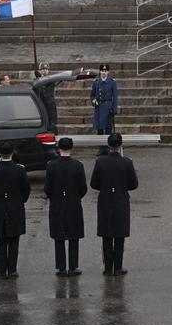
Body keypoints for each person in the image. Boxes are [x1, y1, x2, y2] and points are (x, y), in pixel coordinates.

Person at [90, 133, 138, 276]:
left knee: (106, 235)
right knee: (119, 236)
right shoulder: (127, 162)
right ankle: (118, 267)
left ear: (109, 145)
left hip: (105, 200)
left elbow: (94, 183)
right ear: (120, 145)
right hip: (121, 200)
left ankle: (107, 267)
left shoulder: (100, 162)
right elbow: (134, 184)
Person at [0, 142, 31, 278]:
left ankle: (1, 270)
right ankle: (12, 269)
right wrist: (20, 201)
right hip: (15, 207)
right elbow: (26, 189)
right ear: (12, 153)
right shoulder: (20, 170)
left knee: (1, 241)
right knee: (14, 241)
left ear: (0, 153)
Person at [45, 137, 87, 276]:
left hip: (57, 203)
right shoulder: (78, 165)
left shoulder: (51, 165)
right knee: (73, 236)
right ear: (71, 148)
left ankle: (61, 267)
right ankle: (73, 266)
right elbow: (83, 188)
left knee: (59, 236)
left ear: (59, 148)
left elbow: (48, 188)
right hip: (73, 203)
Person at [90, 64, 119, 135]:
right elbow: (92, 95)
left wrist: (114, 108)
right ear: (100, 71)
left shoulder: (112, 82)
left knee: (108, 129)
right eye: (102, 71)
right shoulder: (96, 82)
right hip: (99, 107)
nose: (104, 72)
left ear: (108, 72)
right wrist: (93, 101)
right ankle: (101, 145)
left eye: (105, 71)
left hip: (108, 107)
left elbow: (115, 97)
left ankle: (108, 145)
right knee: (100, 129)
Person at [34, 62, 58, 133]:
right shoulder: (36, 80)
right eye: (43, 69)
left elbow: (46, 82)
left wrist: (40, 77)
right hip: (41, 103)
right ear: (40, 70)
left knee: (52, 121)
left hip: (50, 103)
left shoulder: (51, 79)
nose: (45, 70)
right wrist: (38, 77)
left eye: (46, 69)